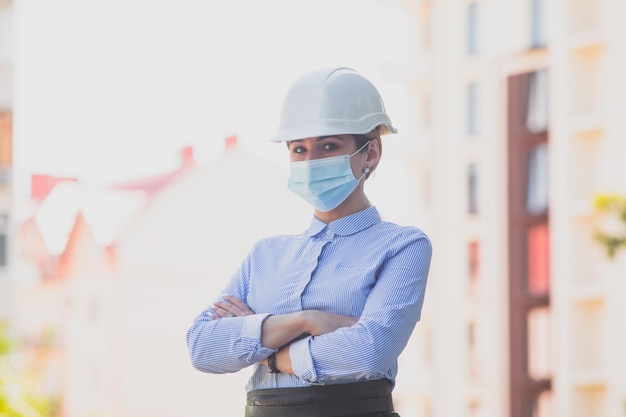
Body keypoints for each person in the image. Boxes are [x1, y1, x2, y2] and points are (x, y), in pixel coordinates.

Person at [186, 67, 432, 417]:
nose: (310, 161)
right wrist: (306, 320)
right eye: (299, 149)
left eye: (329, 146)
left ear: (371, 153)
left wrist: (267, 347)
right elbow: (202, 348)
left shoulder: (403, 246)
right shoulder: (265, 255)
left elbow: (370, 351)